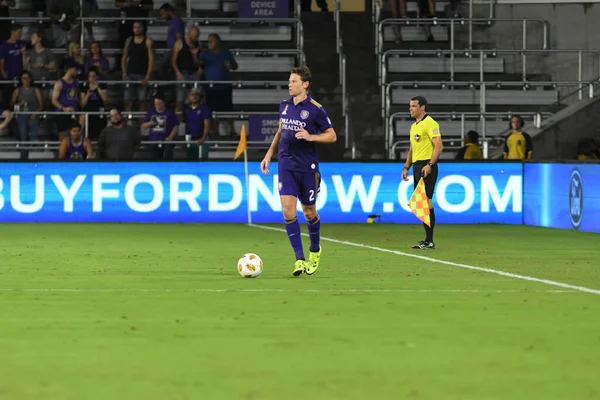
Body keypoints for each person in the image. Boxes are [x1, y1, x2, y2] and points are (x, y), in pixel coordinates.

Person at [260, 66, 337, 277]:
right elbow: (280, 131)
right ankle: (299, 260)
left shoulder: (315, 109)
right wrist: (268, 155)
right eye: (289, 81)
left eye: (293, 81)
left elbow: (331, 136)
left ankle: (315, 250)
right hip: (286, 165)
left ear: (305, 84)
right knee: (287, 211)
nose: (289, 85)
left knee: (309, 212)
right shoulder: (284, 106)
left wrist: (311, 137)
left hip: (307, 167)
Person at [401, 96, 443, 250]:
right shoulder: (414, 127)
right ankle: (428, 239)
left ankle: (429, 240)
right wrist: (406, 167)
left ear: (422, 107)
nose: (410, 109)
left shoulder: (430, 123)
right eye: (410, 106)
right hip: (417, 167)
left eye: (413, 106)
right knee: (420, 203)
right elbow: (412, 149)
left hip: (427, 165)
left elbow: (439, 146)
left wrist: (430, 164)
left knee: (426, 202)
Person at [183, 88, 211, 160]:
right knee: (190, 163)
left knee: (203, 162)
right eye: (192, 95)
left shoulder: (204, 108)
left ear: (199, 96)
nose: (194, 97)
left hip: (202, 140)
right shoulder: (187, 109)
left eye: (196, 95)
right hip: (190, 139)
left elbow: (207, 124)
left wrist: (203, 137)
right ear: (189, 96)